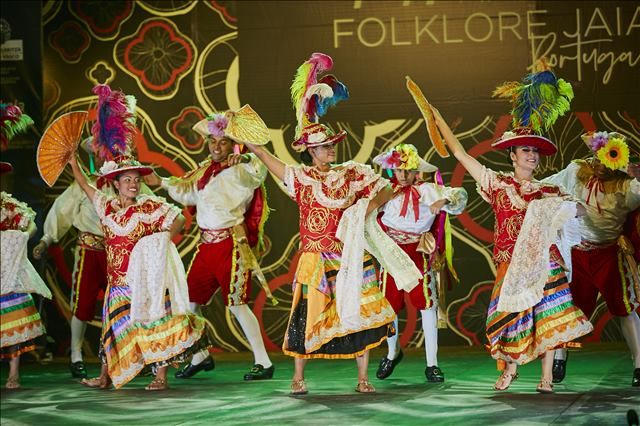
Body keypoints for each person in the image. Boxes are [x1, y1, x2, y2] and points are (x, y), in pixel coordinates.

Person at [243, 52, 421, 395]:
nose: (330, 151)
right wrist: (248, 139)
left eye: (331, 146)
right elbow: (269, 159)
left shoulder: (350, 173)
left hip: (348, 254)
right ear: (311, 151)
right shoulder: (301, 178)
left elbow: (385, 189)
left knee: (360, 307)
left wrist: (364, 208)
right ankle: (298, 376)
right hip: (314, 256)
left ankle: (363, 377)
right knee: (306, 314)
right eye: (324, 148)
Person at [429, 64, 593, 393]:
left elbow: (580, 210)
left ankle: (546, 378)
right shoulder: (498, 185)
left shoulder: (549, 191)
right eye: (526, 150)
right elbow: (460, 153)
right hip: (509, 264)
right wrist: (437, 118)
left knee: (549, 318)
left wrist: (567, 209)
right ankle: (511, 368)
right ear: (513, 154)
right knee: (509, 318)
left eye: (535, 150)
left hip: (545, 263)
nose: (532, 155)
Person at [144, 107, 275, 381]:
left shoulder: (240, 168)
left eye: (223, 141)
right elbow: (187, 192)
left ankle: (263, 362)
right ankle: (199, 355)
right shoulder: (205, 170)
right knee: (189, 301)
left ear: (232, 144)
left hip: (230, 244)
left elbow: (258, 172)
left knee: (237, 304)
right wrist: (161, 182)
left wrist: (248, 152)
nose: (216, 147)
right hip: (206, 246)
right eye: (213, 141)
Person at [542, 131, 640, 386]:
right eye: (598, 157)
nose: (601, 164)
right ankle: (560, 359)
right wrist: (528, 188)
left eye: (609, 159)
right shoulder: (577, 171)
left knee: (624, 309)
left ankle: (639, 364)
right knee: (567, 308)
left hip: (608, 255)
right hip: (577, 255)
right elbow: (549, 185)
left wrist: (636, 175)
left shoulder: (626, 185)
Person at [372, 143, 468, 383]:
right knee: (388, 305)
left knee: (426, 304)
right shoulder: (385, 190)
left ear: (417, 172)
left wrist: (443, 202)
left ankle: (432, 364)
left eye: (408, 170)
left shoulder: (428, 190)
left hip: (417, 251)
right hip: (391, 252)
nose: (403, 175)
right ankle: (392, 353)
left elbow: (460, 196)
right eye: (398, 170)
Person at [32, 139, 111, 379]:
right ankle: (76, 355)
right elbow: (61, 211)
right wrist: (46, 240)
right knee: (83, 303)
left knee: (121, 304)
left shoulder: (126, 181)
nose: (101, 157)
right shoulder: (83, 184)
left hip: (117, 253)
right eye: (97, 153)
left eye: (105, 152)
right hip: (88, 249)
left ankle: (124, 355)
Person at [1, 160, 51, 389]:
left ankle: (13, 373)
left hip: (9, 269)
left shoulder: (9, 205)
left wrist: (22, 236)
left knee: (13, 321)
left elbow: (30, 225)